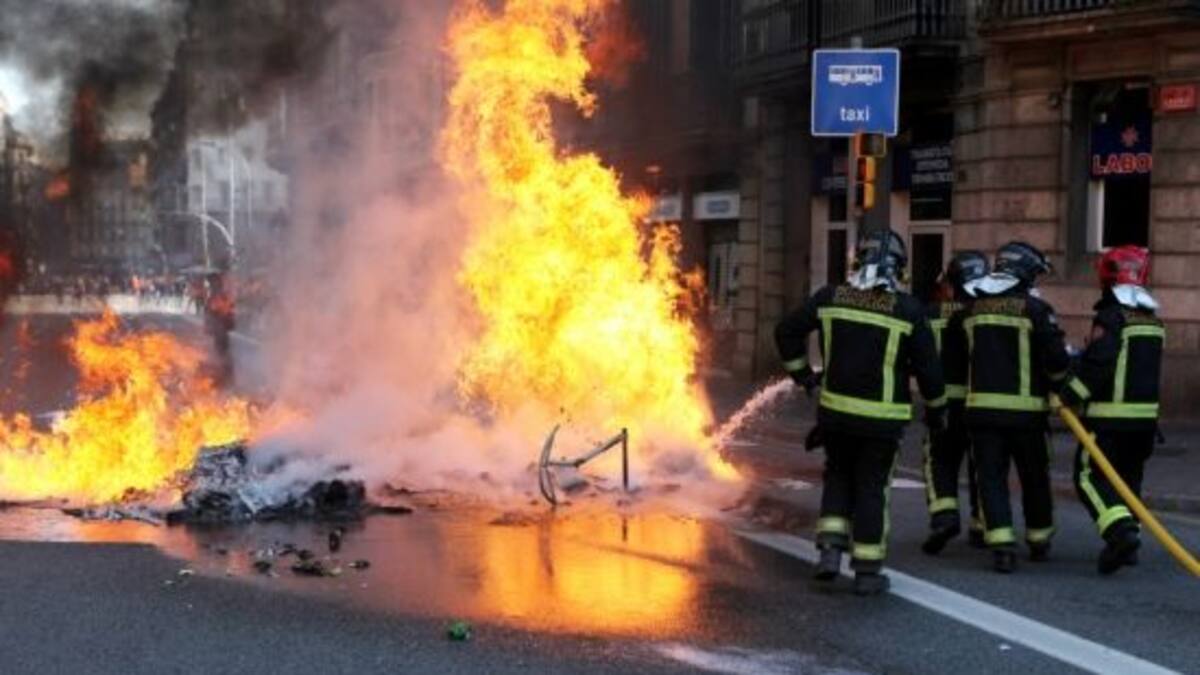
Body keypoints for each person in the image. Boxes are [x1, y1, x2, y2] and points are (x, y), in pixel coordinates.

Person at [775, 229, 945, 595]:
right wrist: (937, 409)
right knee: (872, 488)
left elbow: (786, 331)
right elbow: (931, 371)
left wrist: (804, 377)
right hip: (882, 423)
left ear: (858, 261)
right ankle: (867, 570)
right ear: (899, 268)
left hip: (835, 414)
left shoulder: (830, 297)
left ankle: (829, 556)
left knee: (838, 478)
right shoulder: (909, 310)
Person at [947, 241, 1087, 573]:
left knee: (990, 479)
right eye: (1035, 275)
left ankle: (1002, 546)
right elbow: (1055, 362)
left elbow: (952, 364)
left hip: (981, 414)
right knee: (1034, 477)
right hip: (1027, 416)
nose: (1035, 283)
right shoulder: (1036, 311)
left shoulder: (969, 312)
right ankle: (1038, 540)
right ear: (1023, 273)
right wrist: (1060, 385)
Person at [1058, 245, 1164, 575]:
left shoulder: (1110, 317)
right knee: (1128, 482)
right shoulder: (1152, 319)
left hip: (1108, 420)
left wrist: (1069, 394)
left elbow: (1100, 364)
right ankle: (1128, 541)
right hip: (1145, 424)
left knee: (1088, 476)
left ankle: (1120, 534)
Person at [922, 251, 989, 555]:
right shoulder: (984, 311)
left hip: (944, 402)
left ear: (951, 282)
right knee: (983, 464)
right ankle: (981, 524)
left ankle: (945, 516)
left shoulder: (930, 313)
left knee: (939, 460)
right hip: (978, 403)